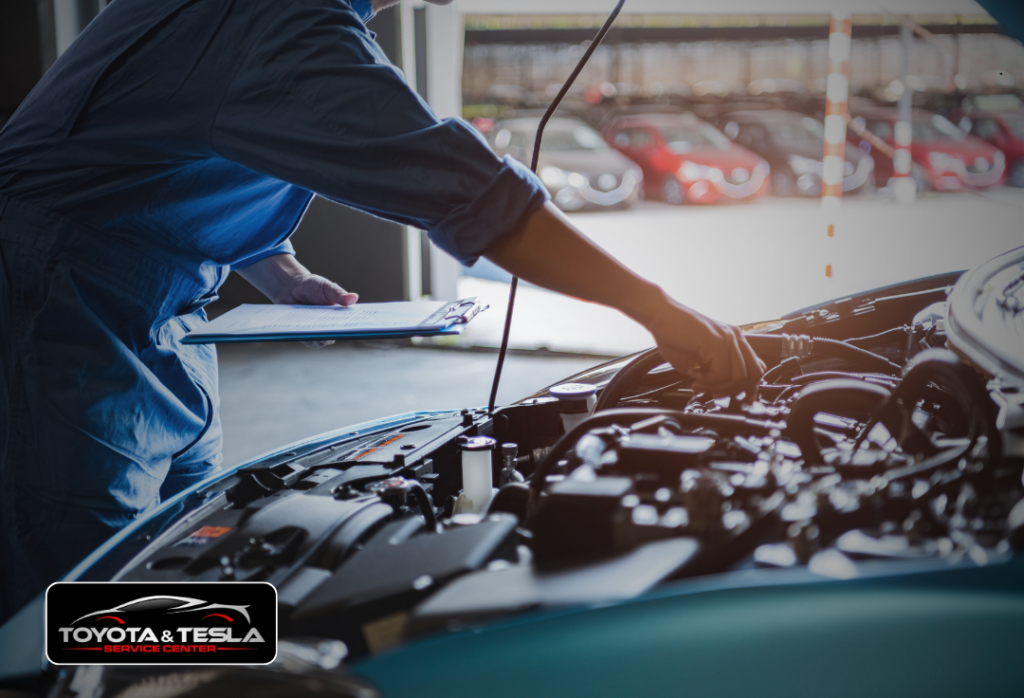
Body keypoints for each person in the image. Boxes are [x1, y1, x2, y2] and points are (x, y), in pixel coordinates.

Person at [0, 0, 764, 622]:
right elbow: (478, 198)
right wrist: (662, 312)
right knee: (90, 605)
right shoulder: (281, 23)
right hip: (56, 301)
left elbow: (144, 146)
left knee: (183, 561)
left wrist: (275, 265)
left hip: (147, 300)